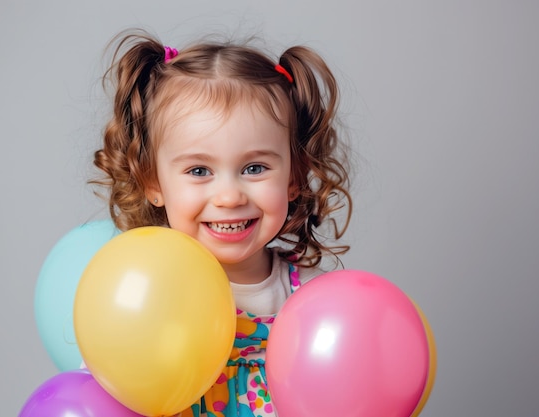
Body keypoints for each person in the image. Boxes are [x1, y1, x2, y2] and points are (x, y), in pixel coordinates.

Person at [91, 29, 353, 417]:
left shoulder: (313, 303)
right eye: (199, 170)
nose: (229, 196)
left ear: (294, 178)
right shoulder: (140, 295)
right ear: (153, 182)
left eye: (254, 168)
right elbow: (107, 386)